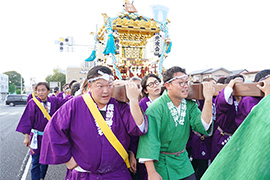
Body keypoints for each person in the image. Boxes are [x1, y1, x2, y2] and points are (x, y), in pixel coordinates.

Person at [40, 65, 147, 180]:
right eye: (100, 86)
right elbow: (53, 130)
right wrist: (68, 159)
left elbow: (138, 128)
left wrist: (134, 100)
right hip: (84, 174)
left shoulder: (119, 105)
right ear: (90, 86)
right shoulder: (75, 105)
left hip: (116, 173)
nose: (105, 91)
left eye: (109, 85)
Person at [136, 66, 214, 180]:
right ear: (168, 85)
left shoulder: (189, 104)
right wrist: (151, 172)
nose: (186, 86)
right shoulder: (156, 108)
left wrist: (208, 99)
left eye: (186, 82)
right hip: (162, 163)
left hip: (182, 161)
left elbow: (204, 125)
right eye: (180, 83)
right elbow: (149, 140)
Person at [201, 80, 270, 180]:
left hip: (244, 140)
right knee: (222, 168)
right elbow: (222, 101)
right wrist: (229, 86)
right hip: (223, 138)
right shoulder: (245, 100)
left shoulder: (250, 100)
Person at [16, 82, 69, 180]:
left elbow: (68, 102)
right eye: (38, 90)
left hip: (48, 137)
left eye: (43, 90)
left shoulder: (54, 100)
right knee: (35, 161)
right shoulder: (32, 103)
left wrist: (74, 94)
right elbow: (27, 120)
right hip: (36, 136)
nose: (40, 92)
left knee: (45, 160)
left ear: (48, 91)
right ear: (36, 92)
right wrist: (27, 138)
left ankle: (41, 177)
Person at [129, 74, 162, 180]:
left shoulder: (167, 102)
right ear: (145, 90)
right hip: (146, 150)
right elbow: (135, 133)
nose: (155, 86)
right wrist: (133, 153)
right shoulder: (141, 105)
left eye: (156, 82)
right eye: (151, 84)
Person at [211, 74, 244, 161]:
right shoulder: (227, 98)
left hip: (239, 138)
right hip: (223, 137)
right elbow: (223, 100)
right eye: (237, 84)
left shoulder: (247, 99)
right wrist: (231, 83)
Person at [191, 77, 216, 180]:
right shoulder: (197, 100)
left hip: (210, 137)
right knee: (196, 164)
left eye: (214, 85)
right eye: (208, 85)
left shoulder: (215, 99)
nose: (211, 88)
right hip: (198, 137)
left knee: (204, 165)